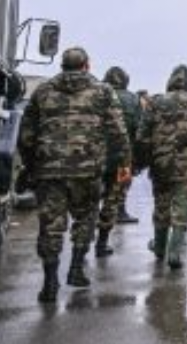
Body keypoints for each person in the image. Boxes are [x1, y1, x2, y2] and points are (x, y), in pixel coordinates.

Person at [17, 47, 132, 303]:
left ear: (62, 65)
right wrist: (124, 163)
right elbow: (118, 132)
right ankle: (76, 270)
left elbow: (26, 134)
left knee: (51, 225)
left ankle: (49, 283)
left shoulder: (43, 91)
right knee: (85, 217)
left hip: (50, 170)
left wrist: (30, 165)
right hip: (87, 169)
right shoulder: (103, 91)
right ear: (86, 65)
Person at [136, 65, 187, 269]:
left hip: (160, 164)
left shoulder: (155, 102)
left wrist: (143, 161)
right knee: (182, 205)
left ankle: (159, 247)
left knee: (161, 206)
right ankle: (174, 252)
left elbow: (142, 136)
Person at [95, 66, 143, 258]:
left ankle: (81, 246)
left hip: (94, 157)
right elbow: (139, 129)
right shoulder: (133, 99)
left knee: (90, 198)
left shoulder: (95, 94)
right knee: (116, 194)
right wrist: (137, 160)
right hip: (123, 158)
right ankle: (102, 242)